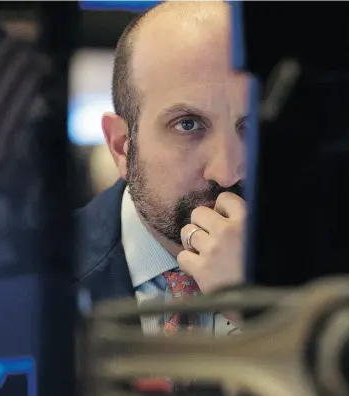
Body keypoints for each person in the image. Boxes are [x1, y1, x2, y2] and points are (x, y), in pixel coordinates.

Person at [77, 0, 248, 338]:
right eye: (187, 125)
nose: (227, 173)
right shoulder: (32, 277)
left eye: (249, 128)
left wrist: (257, 313)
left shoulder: (329, 278)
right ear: (121, 146)